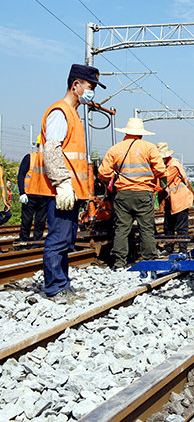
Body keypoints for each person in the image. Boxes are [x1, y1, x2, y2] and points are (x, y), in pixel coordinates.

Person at [27, 64, 105, 301]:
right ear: (76, 85)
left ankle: (63, 284)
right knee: (58, 239)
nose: (92, 92)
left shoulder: (72, 113)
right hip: (58, 190)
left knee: (66, 239)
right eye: (90, 87)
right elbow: (51, 149)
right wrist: (62, 183)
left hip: (69, 190)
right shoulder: (60, 112)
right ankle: (55, 288)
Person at [98, 117, 166, 271]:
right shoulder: (149, 148)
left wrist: (114, 176)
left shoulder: (115, 149)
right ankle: (150, 262)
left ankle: (119, 263)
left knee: (121, 228)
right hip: (143, 193)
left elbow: (103, 173)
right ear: (141, 133)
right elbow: (161, 170)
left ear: (126, 132)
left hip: (123, 194)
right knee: (146, 228)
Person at [156, 142, 194, 252]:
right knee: (168, 226)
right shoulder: (165, 165)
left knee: (181, 227)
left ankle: (183, 250)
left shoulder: (173, 165)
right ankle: (169, 248)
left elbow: (162, 181)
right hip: (171, 200)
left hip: (180, 200)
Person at [18, 139, 49, 241]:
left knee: (40, 222)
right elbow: (21, 175)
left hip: (44, 196)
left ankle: (37, 242)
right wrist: (22, 193)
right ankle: (23, 240)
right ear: (37, 147)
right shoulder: (29, 158)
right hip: (29, 195)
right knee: (26, 220)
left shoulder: (49, 160)